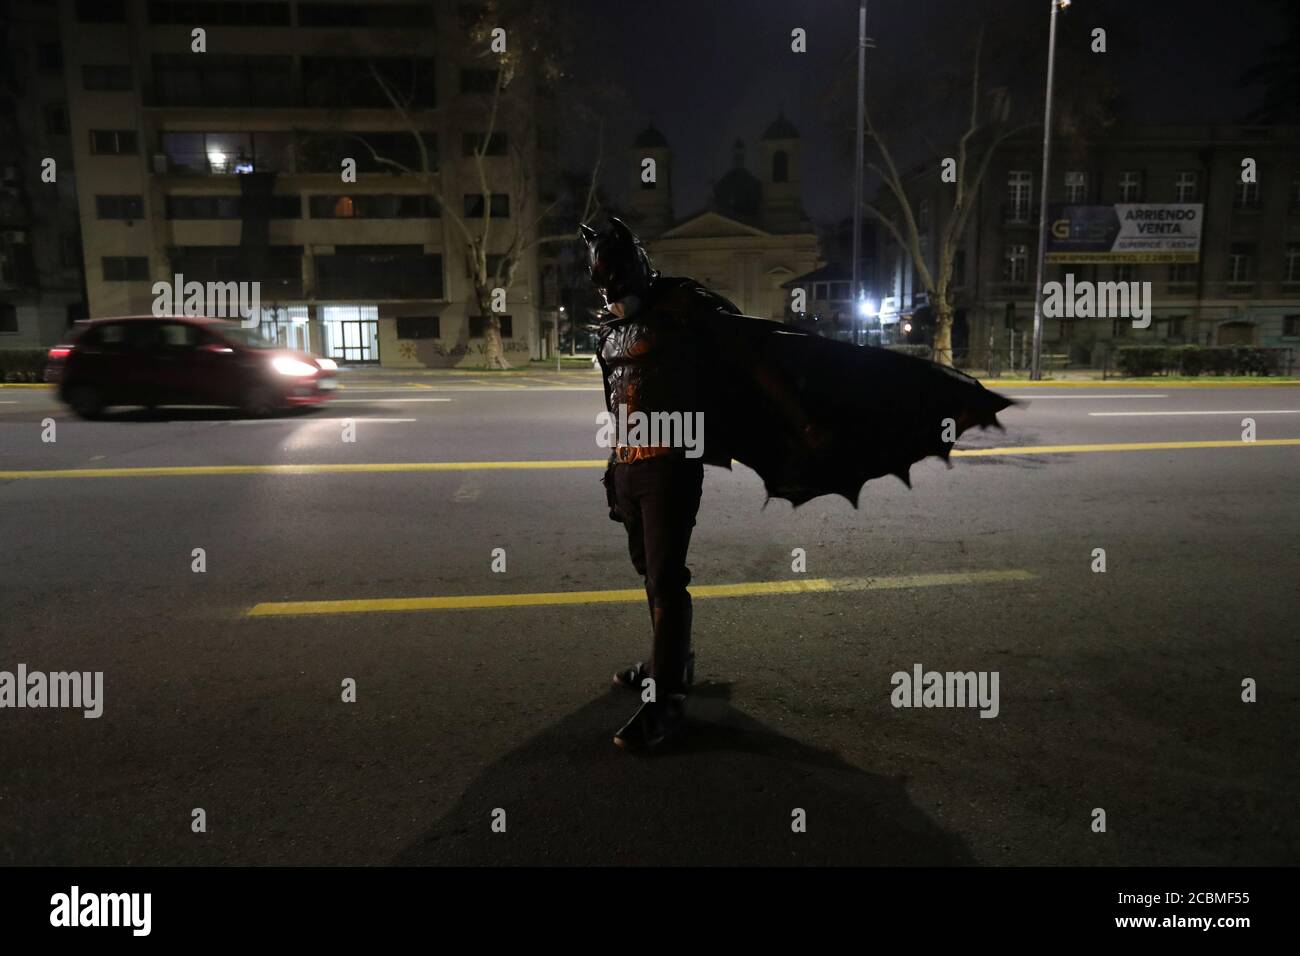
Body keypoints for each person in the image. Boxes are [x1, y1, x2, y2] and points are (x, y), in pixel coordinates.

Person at [579, 217, 1013, 753]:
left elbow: (754, 357)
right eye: (606, 281)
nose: (614, 288)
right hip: (628, 463)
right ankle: (667, 661)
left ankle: (667, 699)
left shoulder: (684, 308)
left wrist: (803, 420)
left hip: (672, 462)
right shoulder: (612, 323)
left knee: (666, 576)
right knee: (646, 569)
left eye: (619, 272)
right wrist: (611, 466)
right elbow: (615, 395)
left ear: (637, 264)